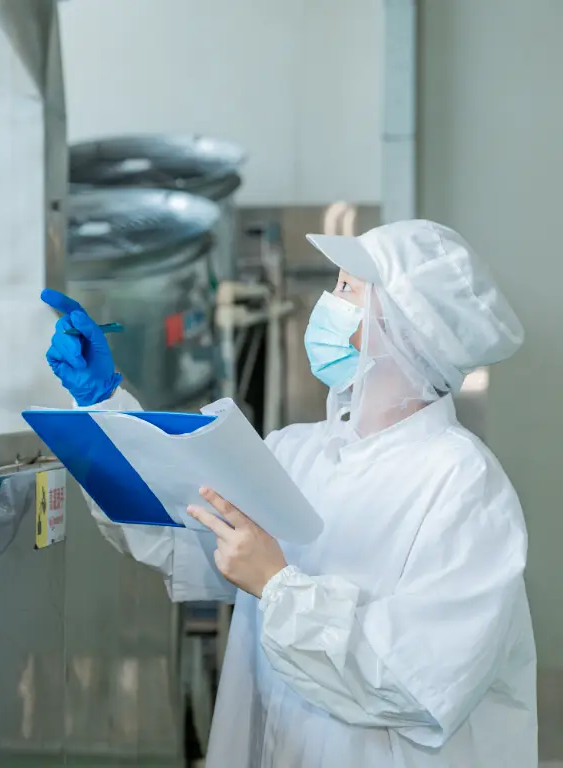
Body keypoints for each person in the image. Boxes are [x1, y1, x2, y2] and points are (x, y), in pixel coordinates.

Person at [41, 219, 537, 768]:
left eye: (348, 289)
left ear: (404, 328)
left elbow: (418, 679)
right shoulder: (297, 452)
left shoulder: (463, 483)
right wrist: (104, 404)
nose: (328, 304)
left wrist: (277, 585)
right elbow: (175, 530)